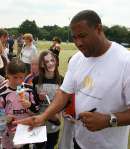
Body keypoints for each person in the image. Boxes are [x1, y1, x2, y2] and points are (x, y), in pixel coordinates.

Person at [14, 10, 130, 149]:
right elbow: (64, 93)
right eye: (74, 37)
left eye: (82, 36)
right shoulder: (77, 59)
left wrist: (108, 120)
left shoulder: (125, 62)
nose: (78, 43)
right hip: (79, 142)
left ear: (99, 29)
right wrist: (43, 117)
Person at [0, 59, 38, 149]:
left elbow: (36, 110)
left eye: (21, 77)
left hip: (25, 134)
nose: (18, 81)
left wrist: (30, 105)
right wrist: (6, 119)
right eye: (15, 77)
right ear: (8, 75)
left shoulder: (28, 90)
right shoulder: (2, 93)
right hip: (8, 137)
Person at [32, 51, 63, 149]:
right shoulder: (36, 80)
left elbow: (66, 102)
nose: (50, 64)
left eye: (52, 60)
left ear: (56, 61)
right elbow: (34, 101)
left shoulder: (61, 80)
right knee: (38, 146)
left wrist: (58, 101)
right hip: (40, 122)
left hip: (54, 122)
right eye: (46, 61)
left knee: (50, 145)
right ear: (41, 64)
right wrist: (38, 97)